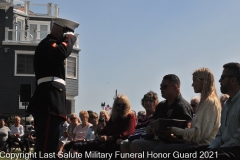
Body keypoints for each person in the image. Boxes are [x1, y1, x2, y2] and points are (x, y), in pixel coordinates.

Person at [26, 18, 79, 157]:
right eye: (67, 34)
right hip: (48, 100)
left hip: (52, 100)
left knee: (52, 144)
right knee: (46, 146)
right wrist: (70, 39)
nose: (67, 38)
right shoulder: (48, 44)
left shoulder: (50, 46)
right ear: (60, 30)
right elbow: (62, 52)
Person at [152, 68, 221, 159]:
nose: (192, 84)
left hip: (203, 147)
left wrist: (173, 130)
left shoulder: (209, 103)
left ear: (203, 82)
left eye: (194, 81)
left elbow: (199, 135)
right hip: (197, 145)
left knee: (160, 150)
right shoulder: (205, 102)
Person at [129, 74, 193, 160]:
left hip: (173, 144)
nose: (161, 89)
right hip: (158, 140)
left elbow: (187, 134)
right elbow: (151, 123)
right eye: (160, 86)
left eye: (164, 86)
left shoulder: (182, 107)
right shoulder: (161, 106)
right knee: (131, 144)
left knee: (159, 150)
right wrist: (150, 128)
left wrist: (170, 135)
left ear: (175, 87)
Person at [186, 63, 240, 160]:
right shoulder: (227, 105)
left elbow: (238, 138)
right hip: (223, 148)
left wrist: (218, 150)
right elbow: (220, 135)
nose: (219, 80)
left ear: (233, 80)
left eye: (223, 77)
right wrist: (211, 149)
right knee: (189, 153)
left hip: (235, 149)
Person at [82, 94, 136, 160]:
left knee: (109, 149)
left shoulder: (130, 116)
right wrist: (99, 136)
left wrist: (109, 138)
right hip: (109, 141)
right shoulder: (114, 117)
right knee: (88, 146)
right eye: (118, 104)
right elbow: (106, 129)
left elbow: (128, 132)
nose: (120, 106)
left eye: (122, 104)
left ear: (126, 105)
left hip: (119, 141)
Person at [120, 91, 159, 160]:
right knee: (123, 143)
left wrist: (133, 138)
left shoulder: (155, 116)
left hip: (151, 140)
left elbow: (149, 134)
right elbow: (136, 132)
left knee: (135, 143)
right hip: (140, 138)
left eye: (150, 101)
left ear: (155, 103)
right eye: (146, 101)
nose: (148, 103)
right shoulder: (141, 118)